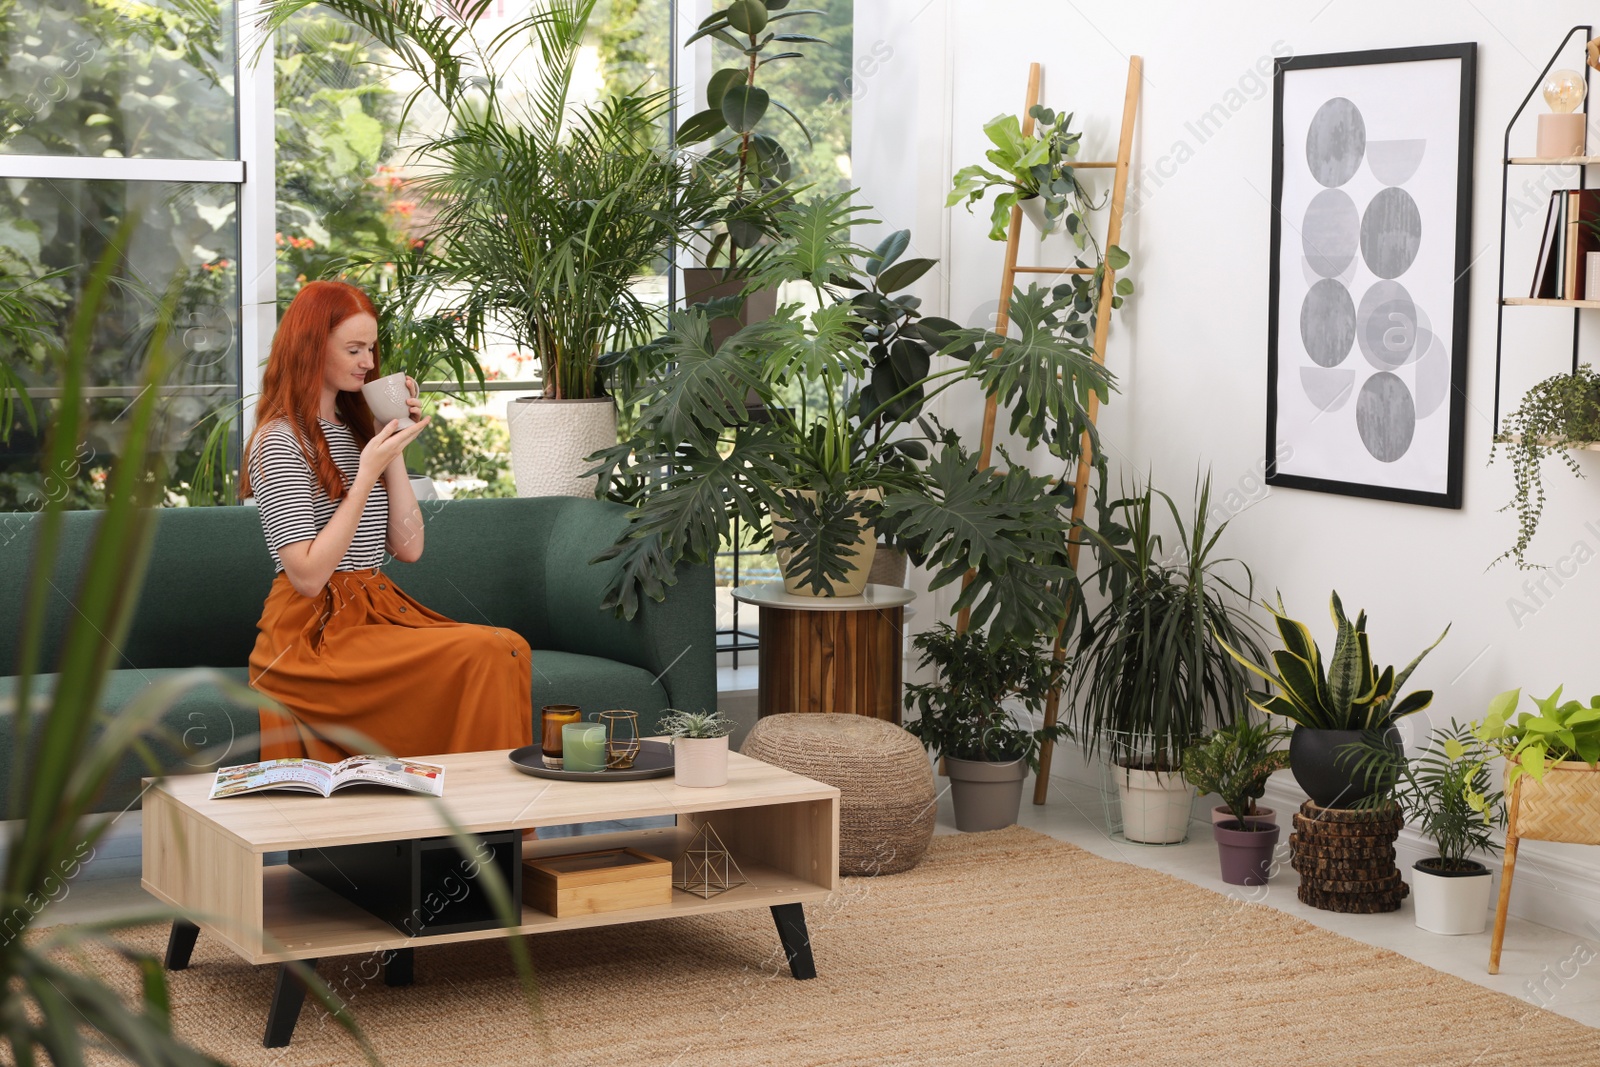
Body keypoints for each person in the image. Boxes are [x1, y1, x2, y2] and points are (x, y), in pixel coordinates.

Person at [241, 280, 533, 762]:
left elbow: (410, 547)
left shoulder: (358, 434)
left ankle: (486, 818)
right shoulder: (280, 441)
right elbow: (309, 576)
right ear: (312, 347)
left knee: (506, 648)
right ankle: (483, 815)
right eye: (353, 348)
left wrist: (389, 441)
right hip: (312, 632)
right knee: (489, 650)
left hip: (375, 608)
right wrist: (364, 478)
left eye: (371, 349)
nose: (368, 363)